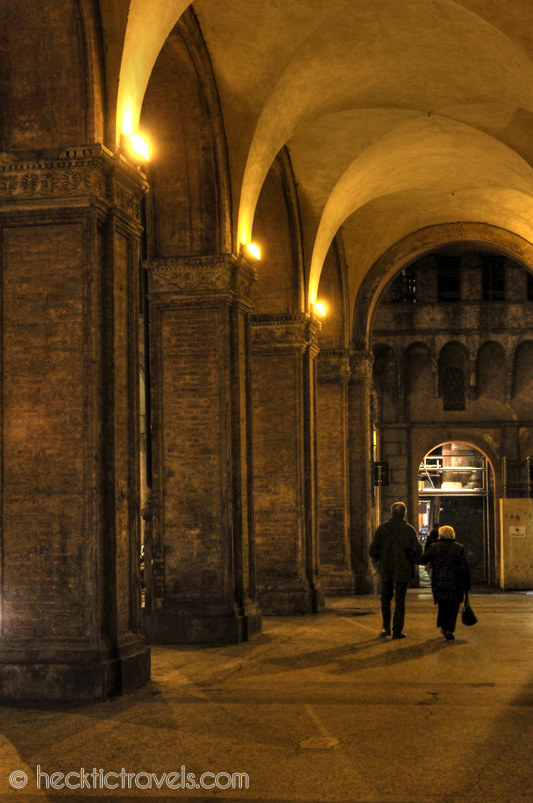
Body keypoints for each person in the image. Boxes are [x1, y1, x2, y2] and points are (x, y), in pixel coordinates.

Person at [369, 502, 422, 639]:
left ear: (391, 512)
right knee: (400, 600)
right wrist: (411, 560)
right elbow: (417, 550)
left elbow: (373, 549)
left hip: (386, 569)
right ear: (404, 513)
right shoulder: (409, 529)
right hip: (403, 569)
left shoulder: (382, 528)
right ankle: (397, 630)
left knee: (385, 599)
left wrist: (379, 559)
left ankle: (385, 628)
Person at [417, 525, 471, 641]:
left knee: (443, 605)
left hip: (439, 582)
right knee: (453, 606)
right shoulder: (459, 548)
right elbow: (464, 568)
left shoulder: (434, 547)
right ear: (452, 535)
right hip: (455, 583)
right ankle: (449, 629)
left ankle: (443, 626)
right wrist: (466, 585)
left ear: (440, 535)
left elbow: (422, 560)